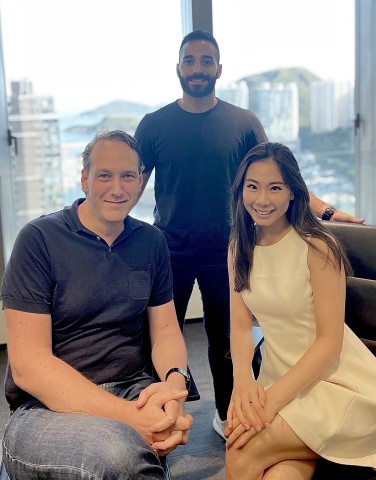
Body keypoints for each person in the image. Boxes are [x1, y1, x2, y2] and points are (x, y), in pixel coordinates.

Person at [134, 29, 365, 440]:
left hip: (230, 248)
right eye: (190, 60)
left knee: (226, 340)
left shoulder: (242, 122)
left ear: (219, 69)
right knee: (160, 339)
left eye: (207, 61)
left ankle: (229, 416)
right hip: (170, 249)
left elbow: (279, 176)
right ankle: (157, 423)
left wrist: (329, 212)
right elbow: (130, 183)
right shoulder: (155, 124)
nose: (198, 68)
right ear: (178, 68)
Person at [0, 130, 193, 480]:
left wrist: (173, 388)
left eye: (127, 176)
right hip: (45, 408)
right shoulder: (39, 239)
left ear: (140, 182)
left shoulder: (151, 241)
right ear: (85, 179)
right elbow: (28, 364)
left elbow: (165, 330)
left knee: (147, 441)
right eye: (104, 175)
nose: (117, 189)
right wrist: (133, 418)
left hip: (131, 389)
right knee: (120, 458)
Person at [225, 142, 376, 479]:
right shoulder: (239, 248)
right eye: (253, 187)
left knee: (241, 449)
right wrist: (243, 382)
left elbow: (329, 342)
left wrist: (272, 402)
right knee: (280, 474)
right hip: (278, 379)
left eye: (275, 187)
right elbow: (239, 326)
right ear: (241, 190)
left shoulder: (317, 246)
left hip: (336, 387)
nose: (262, 199)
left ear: (293, 192)